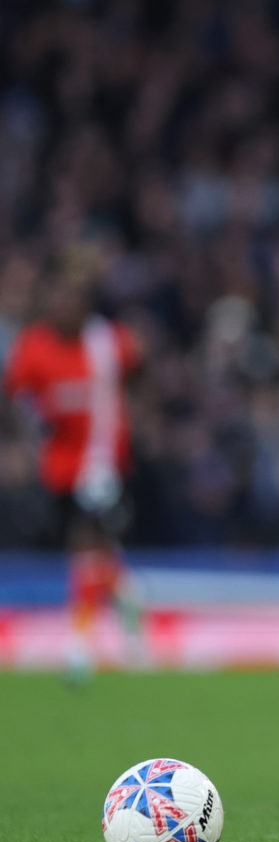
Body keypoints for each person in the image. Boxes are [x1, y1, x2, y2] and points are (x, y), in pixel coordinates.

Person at [3, 266, 143, 678]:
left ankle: (81, 644)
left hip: (101, 464)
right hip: (58, 465)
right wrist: (23, 437)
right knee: (96, 554)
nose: (65, 308)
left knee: (83, 546)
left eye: (74, 301)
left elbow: (140, 365)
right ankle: (128, 596)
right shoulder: (35, 346)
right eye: (58, 300)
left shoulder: (107, 342)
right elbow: (15, 396)